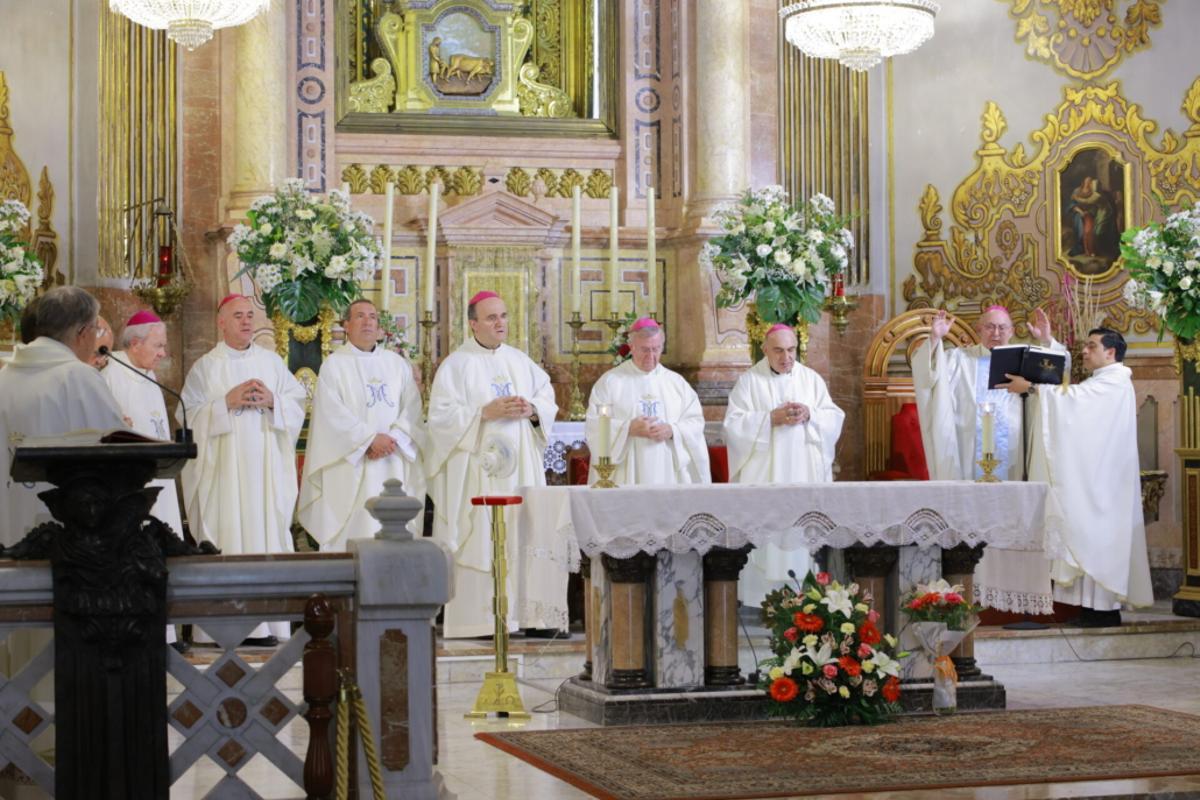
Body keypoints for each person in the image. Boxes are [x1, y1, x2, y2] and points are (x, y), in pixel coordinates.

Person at [426, 291, 559, 638]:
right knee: (481, 536)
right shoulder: (455, 366)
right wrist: (484, 412)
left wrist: (532, 410)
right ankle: (480, 620)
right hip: (478, 473)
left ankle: (531, 617)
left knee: (525, 532)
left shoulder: (520, 361)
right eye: (491, 318)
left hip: (521, 473)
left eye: (503, 316)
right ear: (472, 324)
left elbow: (546, 399)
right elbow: (439, 421)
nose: (500, 323)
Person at [1001, 328, 1153, 626]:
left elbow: (1074, 402)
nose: (1085, 351)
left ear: (1111, 352)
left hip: (1104, 483)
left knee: (1096, 537)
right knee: (1086, 534)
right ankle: (1091, 610)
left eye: (1092, 346)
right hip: (1096, 476)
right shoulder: (1105, 381)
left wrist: (1030, 386)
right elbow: (1075, 402)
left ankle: (1103, 611)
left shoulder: (1114, 382)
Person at [178, 294, 306, 645]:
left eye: (250, 315)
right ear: (221, 322)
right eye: (238, 316)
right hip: (224, 476)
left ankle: (268, 623)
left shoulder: (271, 361)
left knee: (264, 533)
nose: (247, 321)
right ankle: (220, 625)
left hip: (265, 472)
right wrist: (225, 404)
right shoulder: (206, 366)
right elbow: (186, 417)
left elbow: (296, 404)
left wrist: (273, 402)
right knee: (228, 536)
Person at [723, 323, 844, 607]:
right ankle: (761, 602)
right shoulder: (750, 382)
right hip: (765, 476)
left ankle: (806, 599)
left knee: (801, 538)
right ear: (764, 350)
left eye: (791, 350)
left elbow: (834, 417)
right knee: (767, 536)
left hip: (803, 474)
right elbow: (733, 426)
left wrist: (811, 414)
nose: (786, 357)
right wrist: (768, 420)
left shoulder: (811, 379)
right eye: (778, 350)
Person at [0, 286, 126, 547]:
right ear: (82, 333)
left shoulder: (4, 377)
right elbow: (119, 454)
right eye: (96, 330)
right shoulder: (79, 377)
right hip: (67, 542)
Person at [298, 299, 426, 549]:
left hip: (394, 459)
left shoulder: (396, 364)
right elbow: (331, 415)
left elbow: (412, 407)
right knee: (356, 530)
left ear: (379, 327)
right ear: (346, 325)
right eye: (360, 316)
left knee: (394, 529)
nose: (367, 321)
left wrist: (395, 438)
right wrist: (369, 440)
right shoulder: (334, 365)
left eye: (372, 316)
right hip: (352, 464)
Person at [913, 305, 1065, 483]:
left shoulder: (1025, 359)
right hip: (968, 447)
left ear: (1011, 331)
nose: (996, 333)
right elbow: (927, 373)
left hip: (1015, 449)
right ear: (979, 329)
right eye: (990, 327)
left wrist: (1047, 340)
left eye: (1002, 328)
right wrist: (934, 339)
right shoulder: (959, 359)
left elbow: (1057, 376)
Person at [584, 318, 710, 486]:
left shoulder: (677, 384)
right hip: (626, 472)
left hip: (668, 472)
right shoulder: (610, 383)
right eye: (644, 349)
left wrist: (673, 430)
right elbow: (597, 424)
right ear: (631, 347)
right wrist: (627, 428)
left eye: (655, 349)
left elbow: (695, 422)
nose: (650, 356)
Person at [103, 310, 183, 531]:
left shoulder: (149, 374)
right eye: (158, 346)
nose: (163, 353)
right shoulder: (110, 374)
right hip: (127, 478)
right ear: (136, 344)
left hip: (158, 472)